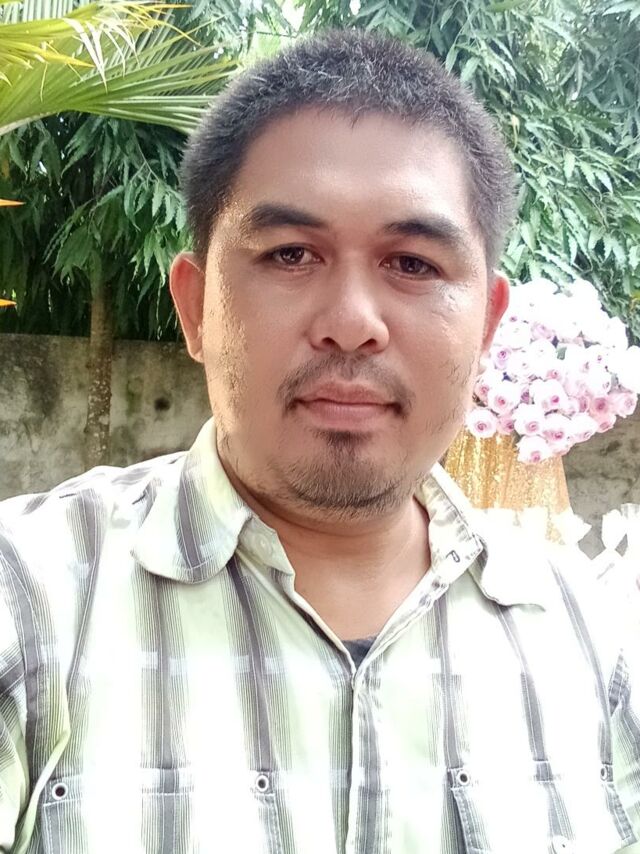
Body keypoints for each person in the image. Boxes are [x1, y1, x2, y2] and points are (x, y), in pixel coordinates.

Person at [0, 29, 638, 854]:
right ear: (196, 308)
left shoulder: (594, 644)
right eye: (291, 253)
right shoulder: (30, 602)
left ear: (486, 326)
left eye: (413, 264)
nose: (351, 323)